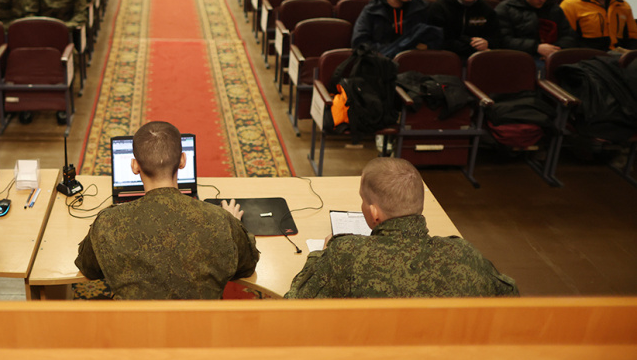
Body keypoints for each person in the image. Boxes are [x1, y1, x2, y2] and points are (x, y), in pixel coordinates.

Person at [285, 157, 518, 299]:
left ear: (374, 213)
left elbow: (293, 305)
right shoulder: (465, 255)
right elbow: (511, 298)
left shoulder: (345, 255)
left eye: (363, 200)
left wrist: (321, 254)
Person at [75, 121, 259, 300]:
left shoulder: (108, 223)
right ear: (182, 160)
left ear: (135, 166)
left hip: (136, 329)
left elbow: (88, 268)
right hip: (202, 328)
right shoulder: (220, 220)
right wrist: (233, 223)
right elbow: (247, 266)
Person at [352, 0, 439, 57]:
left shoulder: (421, 9)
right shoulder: (371, 10)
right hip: (379, 64)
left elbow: (435, 40)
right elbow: (359, 43)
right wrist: (392, 50)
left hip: (412, 62)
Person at [496, 0, 575, 60]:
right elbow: (503, 40)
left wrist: (554, 50)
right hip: (518, 57)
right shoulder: (505, 9)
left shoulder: (554, 9)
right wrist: (536, 47)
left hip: (552, 56)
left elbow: (569, 36)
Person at [427, 0, 500, 60]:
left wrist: (487, 43)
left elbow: (497, 39)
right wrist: (472, 47)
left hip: (478, 59)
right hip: (445, 59)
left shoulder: (487, 10)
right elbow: (439, 42)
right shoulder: (440, 8)